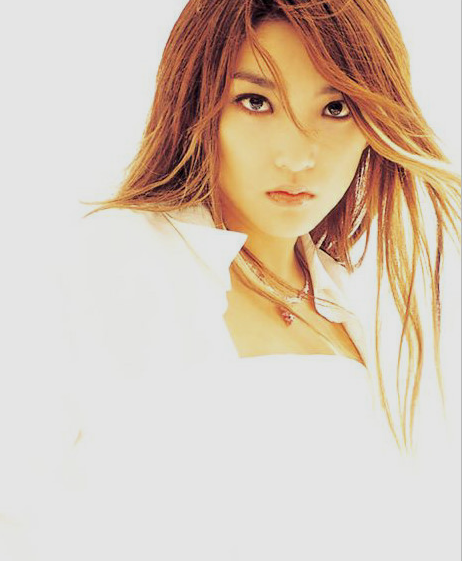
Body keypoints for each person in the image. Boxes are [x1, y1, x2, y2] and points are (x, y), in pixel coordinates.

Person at [1, 0, 460, 559]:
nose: (297, 156)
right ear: (198, 107)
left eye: (336, 108)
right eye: (256, 101)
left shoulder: (373, 304)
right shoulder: (110, 264)